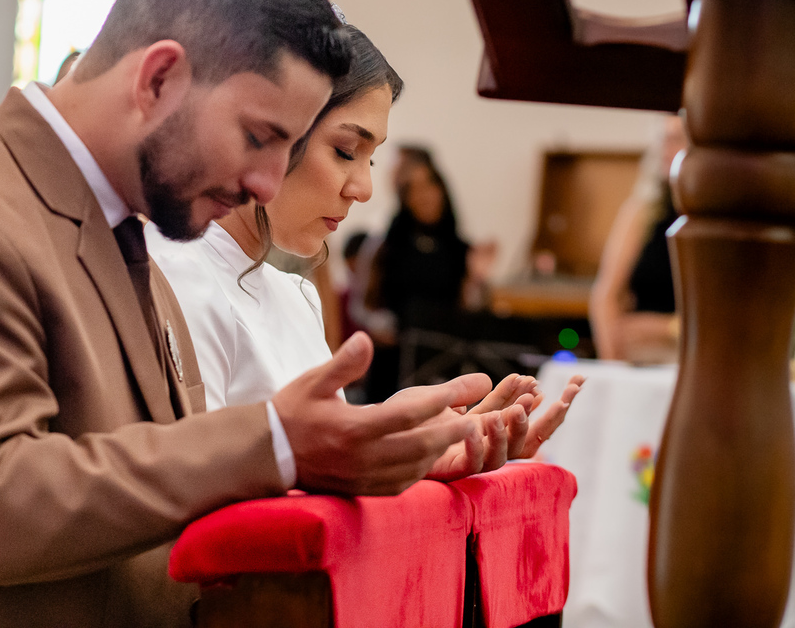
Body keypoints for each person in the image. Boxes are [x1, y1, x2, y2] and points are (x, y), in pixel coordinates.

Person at [0, 0, 492, 627]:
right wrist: (276, 440)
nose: (268, 183)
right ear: (159, 79)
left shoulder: (129, 234)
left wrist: (377, 461)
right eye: (259, 136)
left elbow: (167, 490)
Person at [147, 24, 582, 465]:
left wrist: (397, 438)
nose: (364, 189)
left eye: (370, 160)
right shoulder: (178, 277)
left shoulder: (295, 296)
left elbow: (317, 453)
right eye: (345, 150)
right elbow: (194, 479)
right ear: (269, 131)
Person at [352, 146, 497, 400]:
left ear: (442, 190)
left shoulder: (460, 250)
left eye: (430, 185)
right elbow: (361, 305)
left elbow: (472, 311)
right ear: (404, 198)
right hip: (393, 363)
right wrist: (379, 324)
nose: (424, 196)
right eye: (413, 189)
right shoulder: (385, 246)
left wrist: (477, 278)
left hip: (441, 363)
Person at [589, 115, 687, 364]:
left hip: (691, 354)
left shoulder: (717, 218)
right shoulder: (642, 212)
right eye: (662, 140)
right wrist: (614, 368)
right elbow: (605, 297)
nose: (665, 149)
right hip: (642, 358)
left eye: (676, 139)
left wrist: (668, 328)